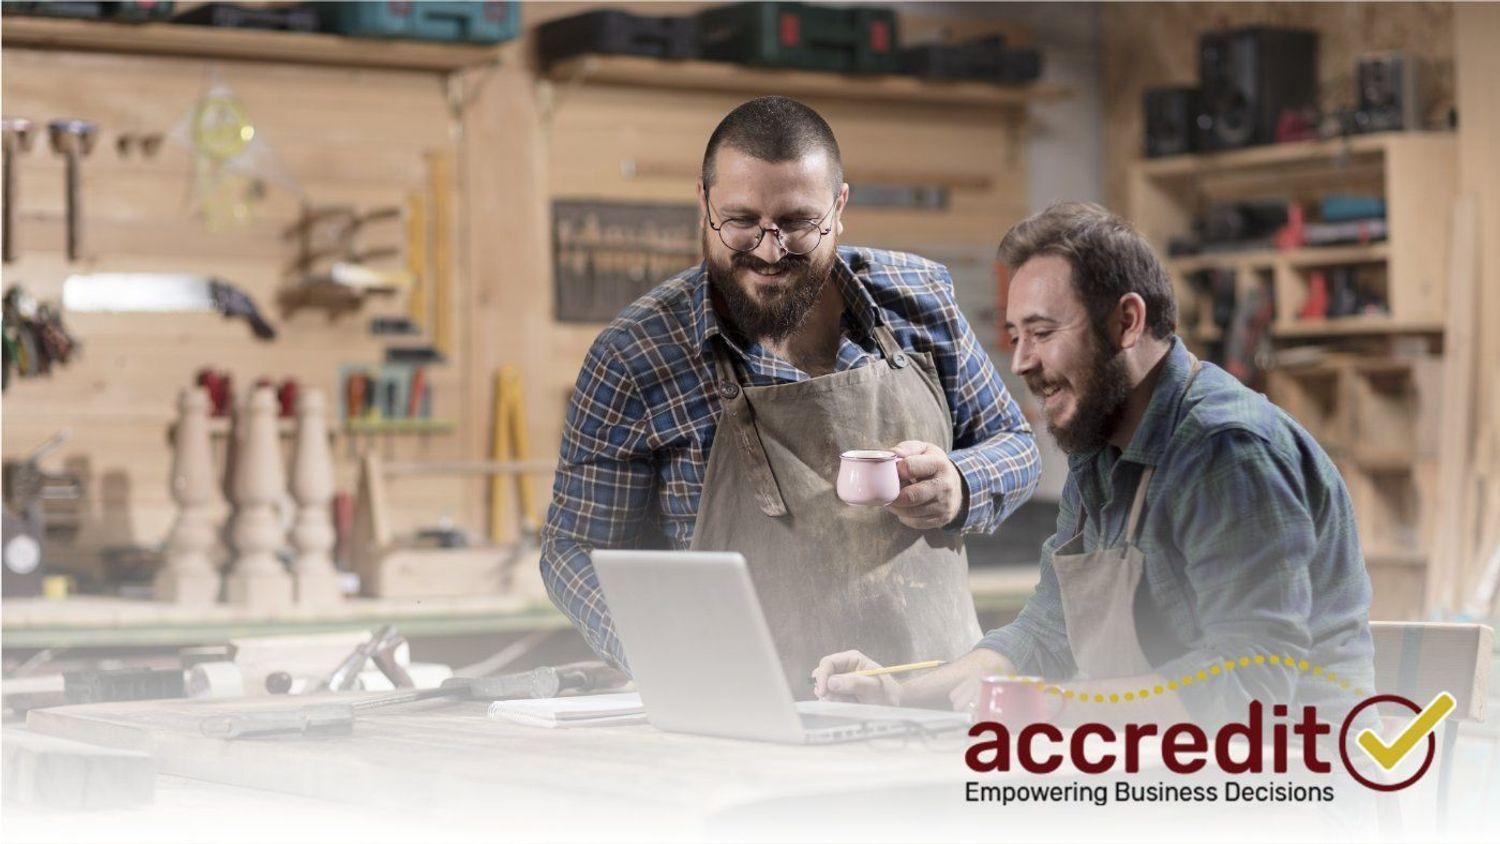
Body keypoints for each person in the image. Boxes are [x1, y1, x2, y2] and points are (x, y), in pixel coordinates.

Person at [541, 96, 1040, 688]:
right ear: (704, 205)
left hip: (928, 697)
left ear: (840, 206)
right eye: (742, 221)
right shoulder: (636, 355)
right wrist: (664, 656)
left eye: (798, 223)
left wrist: (960, 485)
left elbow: (1016, 446)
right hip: (746, 712)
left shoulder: (920, 300)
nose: (770, 250)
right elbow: (574, 553)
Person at [813, 202, 1375, 727]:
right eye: (1015, 336)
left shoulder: (1227, 451)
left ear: (1127, 321)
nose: (1023, 361)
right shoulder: (1100, 447)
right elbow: (1046, 632)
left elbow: (1252, 683)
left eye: (1043, 332)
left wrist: (1056, 706)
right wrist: (901, 695)